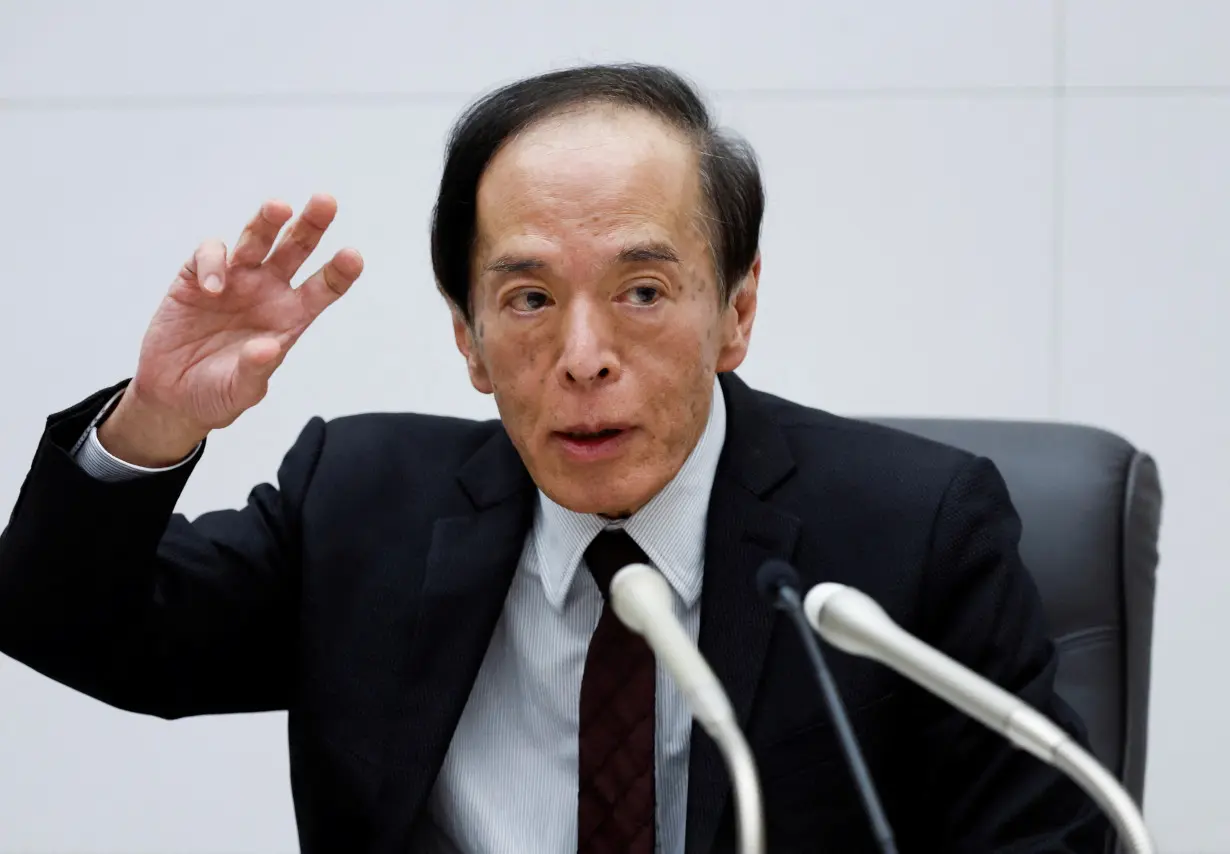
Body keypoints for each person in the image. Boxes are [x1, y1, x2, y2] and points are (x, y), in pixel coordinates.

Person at [0, 64, 1105, 853]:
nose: (583, 357)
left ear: (737, 312)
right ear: (468, 336)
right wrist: (155, 417)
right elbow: (69, 622)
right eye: (528, 299)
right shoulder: (362, 502)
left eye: (641, 292)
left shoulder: (910, 534)